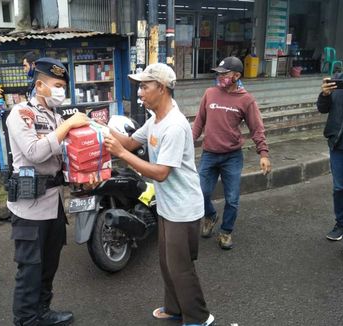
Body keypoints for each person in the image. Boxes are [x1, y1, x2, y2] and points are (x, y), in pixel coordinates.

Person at [104, 63, 215, 326]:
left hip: (183, 208)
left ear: (162, 89)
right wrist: (94, 127)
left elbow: (161, 172)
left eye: (144, 86)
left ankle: (199, 317)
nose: (139, 92)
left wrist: (121, 155)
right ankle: (175, 308)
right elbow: (131, 142)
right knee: (167, 263)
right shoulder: (155, 120)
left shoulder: (174, 126)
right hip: (168, 205)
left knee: (181, 266)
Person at [6, 57, 90, 326]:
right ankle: (26, 320)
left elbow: (61, 156)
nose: (60, 91)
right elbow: (34, 152)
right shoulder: (21, 114)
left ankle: (42, 311)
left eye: (63, 86)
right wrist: (68, 126)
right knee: (30, 269)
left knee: (49, 265)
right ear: (39, 85)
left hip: (54, 203)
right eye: (56, 85)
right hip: (30, 207)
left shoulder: (54, 116)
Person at [192, 56, 272, 250]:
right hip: (209, 154)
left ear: (236, 75)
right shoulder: (210, 93)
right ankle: (210, 216)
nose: (220, 77)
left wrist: (263, 153)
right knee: (200, 193)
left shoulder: (246, 100)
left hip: (232, 157)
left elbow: (256, 128)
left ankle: (226, 231)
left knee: (233, 198)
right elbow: (199, 123)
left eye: (224, 73)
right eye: (218, 73)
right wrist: (186, 145)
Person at [317, 73, 343, 256]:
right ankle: (341, 224)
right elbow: (322, 108)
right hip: (338, 145)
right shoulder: (338, 79)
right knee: (340, 188)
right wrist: (324, 95)